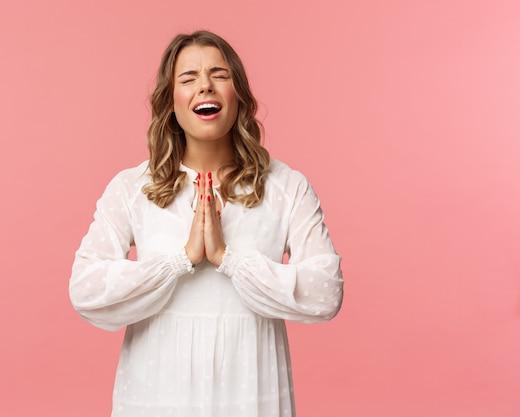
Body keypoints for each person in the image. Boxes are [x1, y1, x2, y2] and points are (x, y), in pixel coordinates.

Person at [69, 30, 344, 417]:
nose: (204, 86)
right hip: (156, 395)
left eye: (219, 74)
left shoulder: (286, 187)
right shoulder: (132, 187)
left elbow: (325, 292)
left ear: (239, 95)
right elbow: (85, 289)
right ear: (170, 102)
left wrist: (228, 259)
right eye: (188, 79)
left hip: (251, 395)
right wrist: (179, 261)